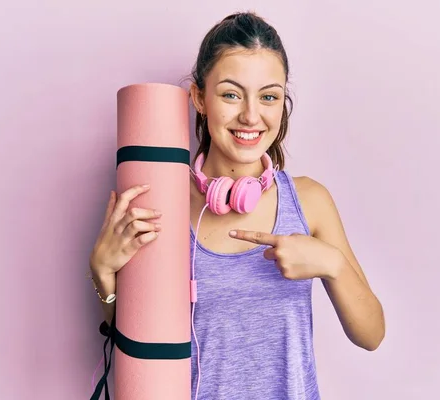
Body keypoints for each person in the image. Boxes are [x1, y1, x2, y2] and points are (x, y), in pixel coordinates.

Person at [88, 11, 385, 400]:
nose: (250, 115)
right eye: (231, 93)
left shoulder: (309, 201)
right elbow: (142, 345)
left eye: (269, 97)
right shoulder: (162, 202)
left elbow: (371, 335)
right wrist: (103, 273)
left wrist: (332, 264)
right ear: (199, 98)